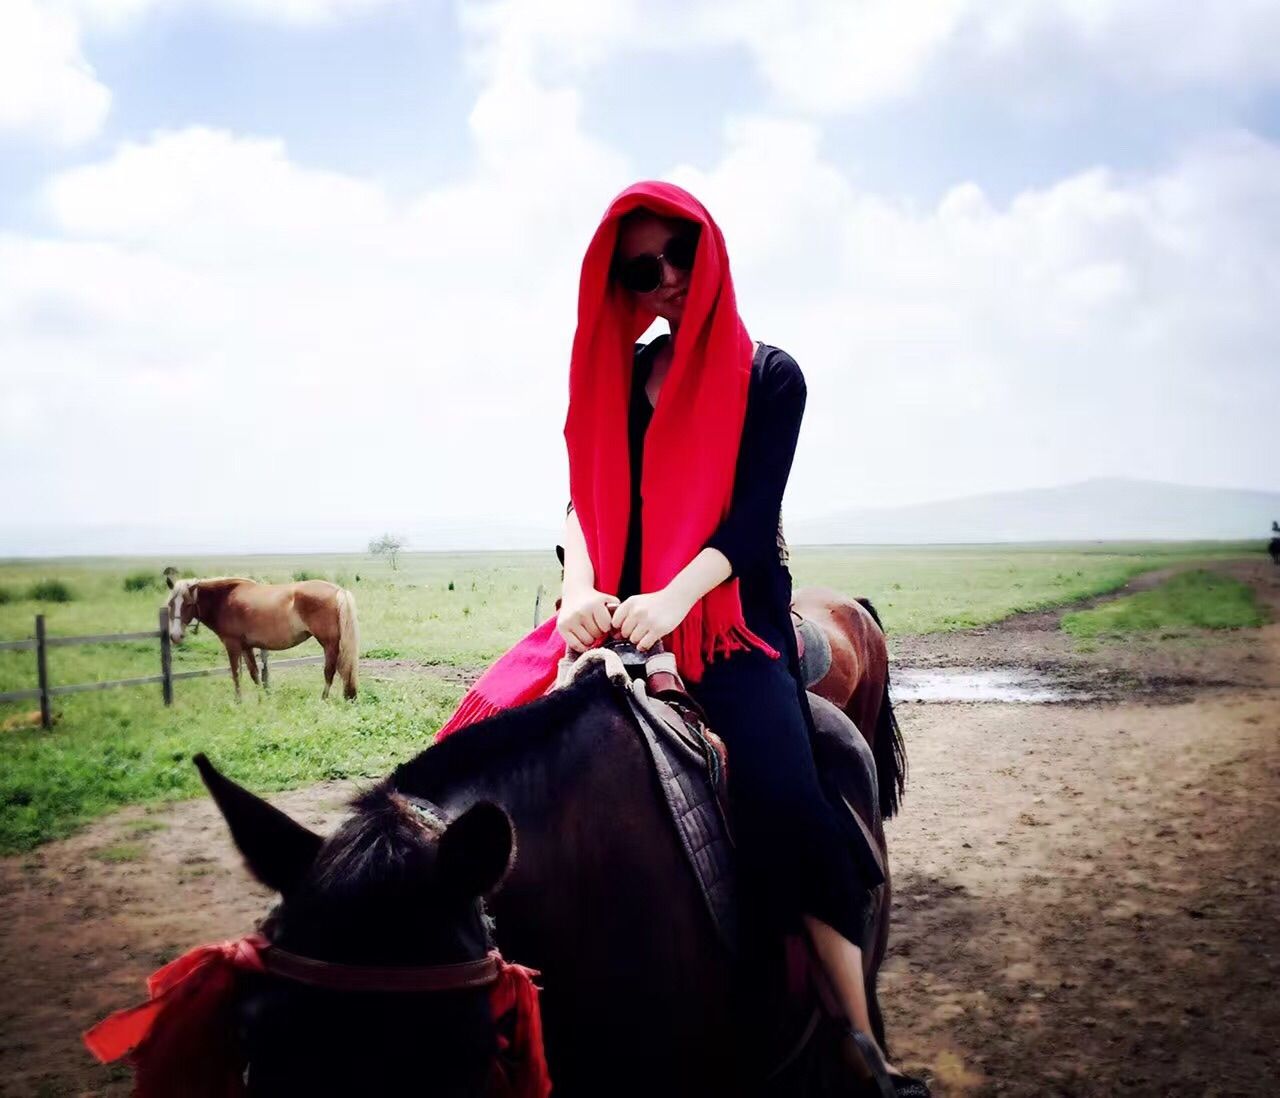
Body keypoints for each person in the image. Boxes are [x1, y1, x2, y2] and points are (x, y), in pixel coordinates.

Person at [437, 181, 927, 1095]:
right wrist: (579, 590)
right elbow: (586, 493)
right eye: (641, 267)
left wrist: (671, 602)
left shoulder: (771, 377)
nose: (664, 278)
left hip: (726, 623)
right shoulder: (620, 378)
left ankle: (862, 1045)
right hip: (613, 613)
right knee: (473, 753)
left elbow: (751, 526)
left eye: (680, 256)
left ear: (711, 257)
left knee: (785, 800)